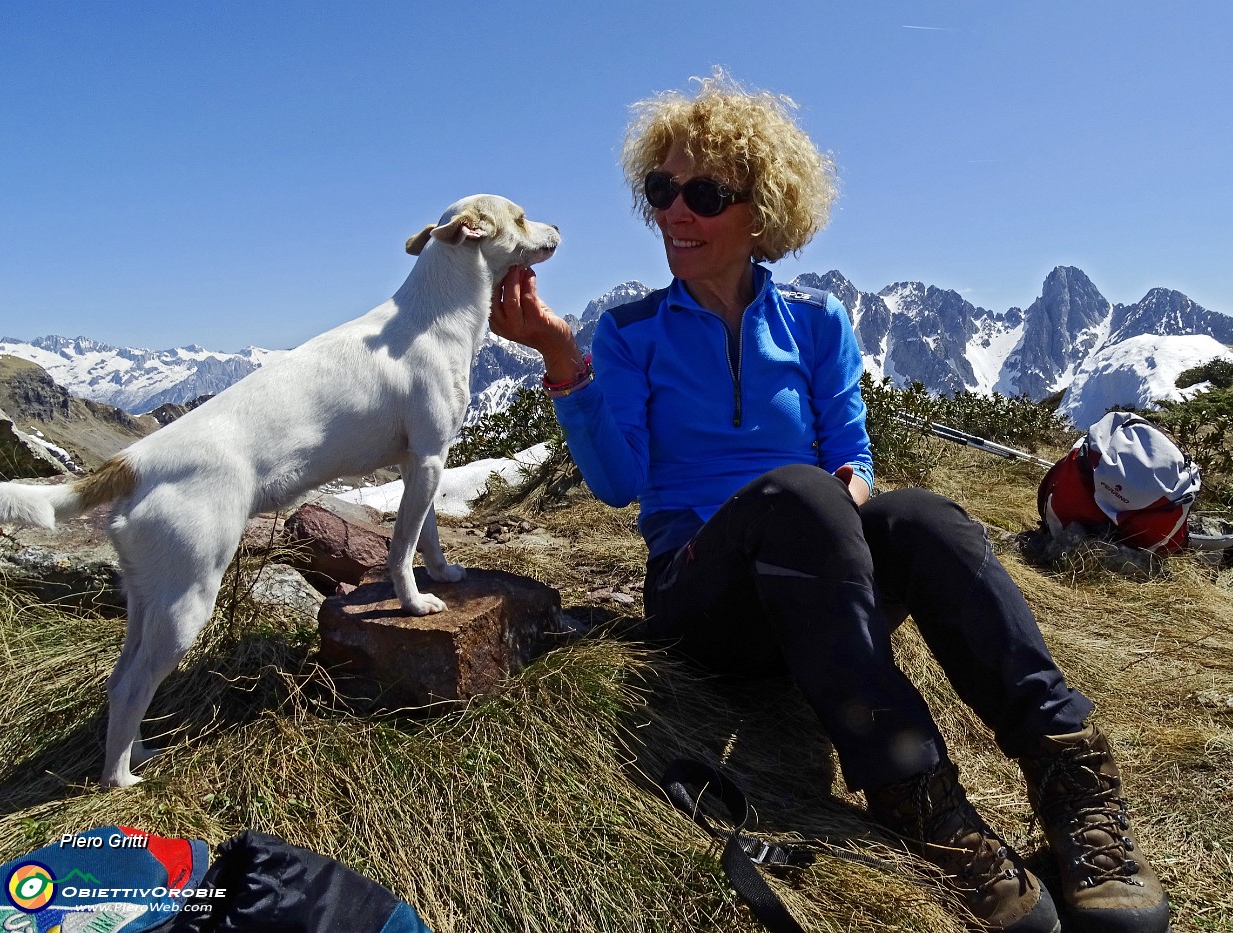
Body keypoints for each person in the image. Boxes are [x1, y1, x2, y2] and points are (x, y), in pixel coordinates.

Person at [489, 70, 1169, 933]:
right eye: (662, 191)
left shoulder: (818, 324)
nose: (675, 213)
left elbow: (853, 454)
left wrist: (850, 493)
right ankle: (923, 805)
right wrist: (563, 361)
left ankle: (1074, 786)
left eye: (705, 193)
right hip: (705, 600)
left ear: (762, 212)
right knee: (799, 492)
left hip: (820, 582)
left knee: (928, 518)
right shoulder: (629, 334)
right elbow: (620, 484)